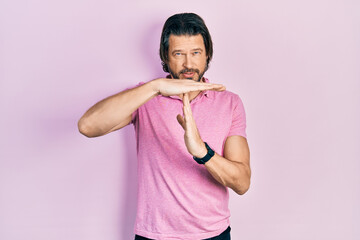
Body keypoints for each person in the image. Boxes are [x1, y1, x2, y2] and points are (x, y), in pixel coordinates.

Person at [78, 13, 251, 240]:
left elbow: (242, 182)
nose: (188, 64)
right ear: (165, 57)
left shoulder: (230, 103)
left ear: (207, 54)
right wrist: (156, 87)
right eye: (178, 54)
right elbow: (87, 126)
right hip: (154, 236)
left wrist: (202, 152)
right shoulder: (144, 97)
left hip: (213, 235)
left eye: (196, 53)